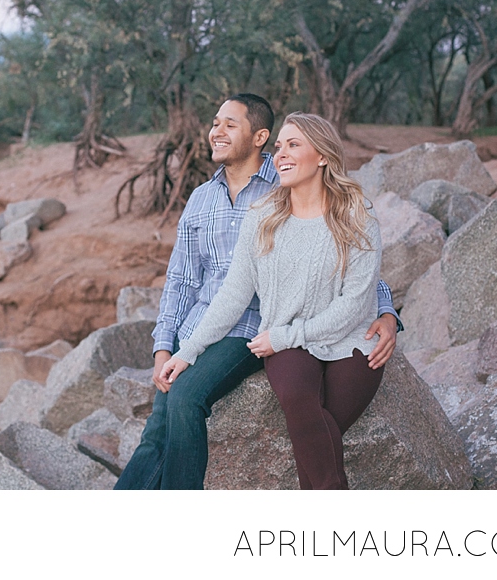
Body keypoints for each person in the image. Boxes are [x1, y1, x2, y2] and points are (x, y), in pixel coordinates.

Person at [114, 95, 400, 490]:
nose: (216, 131)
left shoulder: (297, 191)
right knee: (159, 428)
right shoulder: (214, 202)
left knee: (189, 402)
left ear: (258, 136)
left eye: (230, 125)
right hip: (225, 326)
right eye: (215, 123)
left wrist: (387, 314)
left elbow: (353, 279)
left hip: (262, 331)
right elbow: (188, 282)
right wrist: (172, 346)